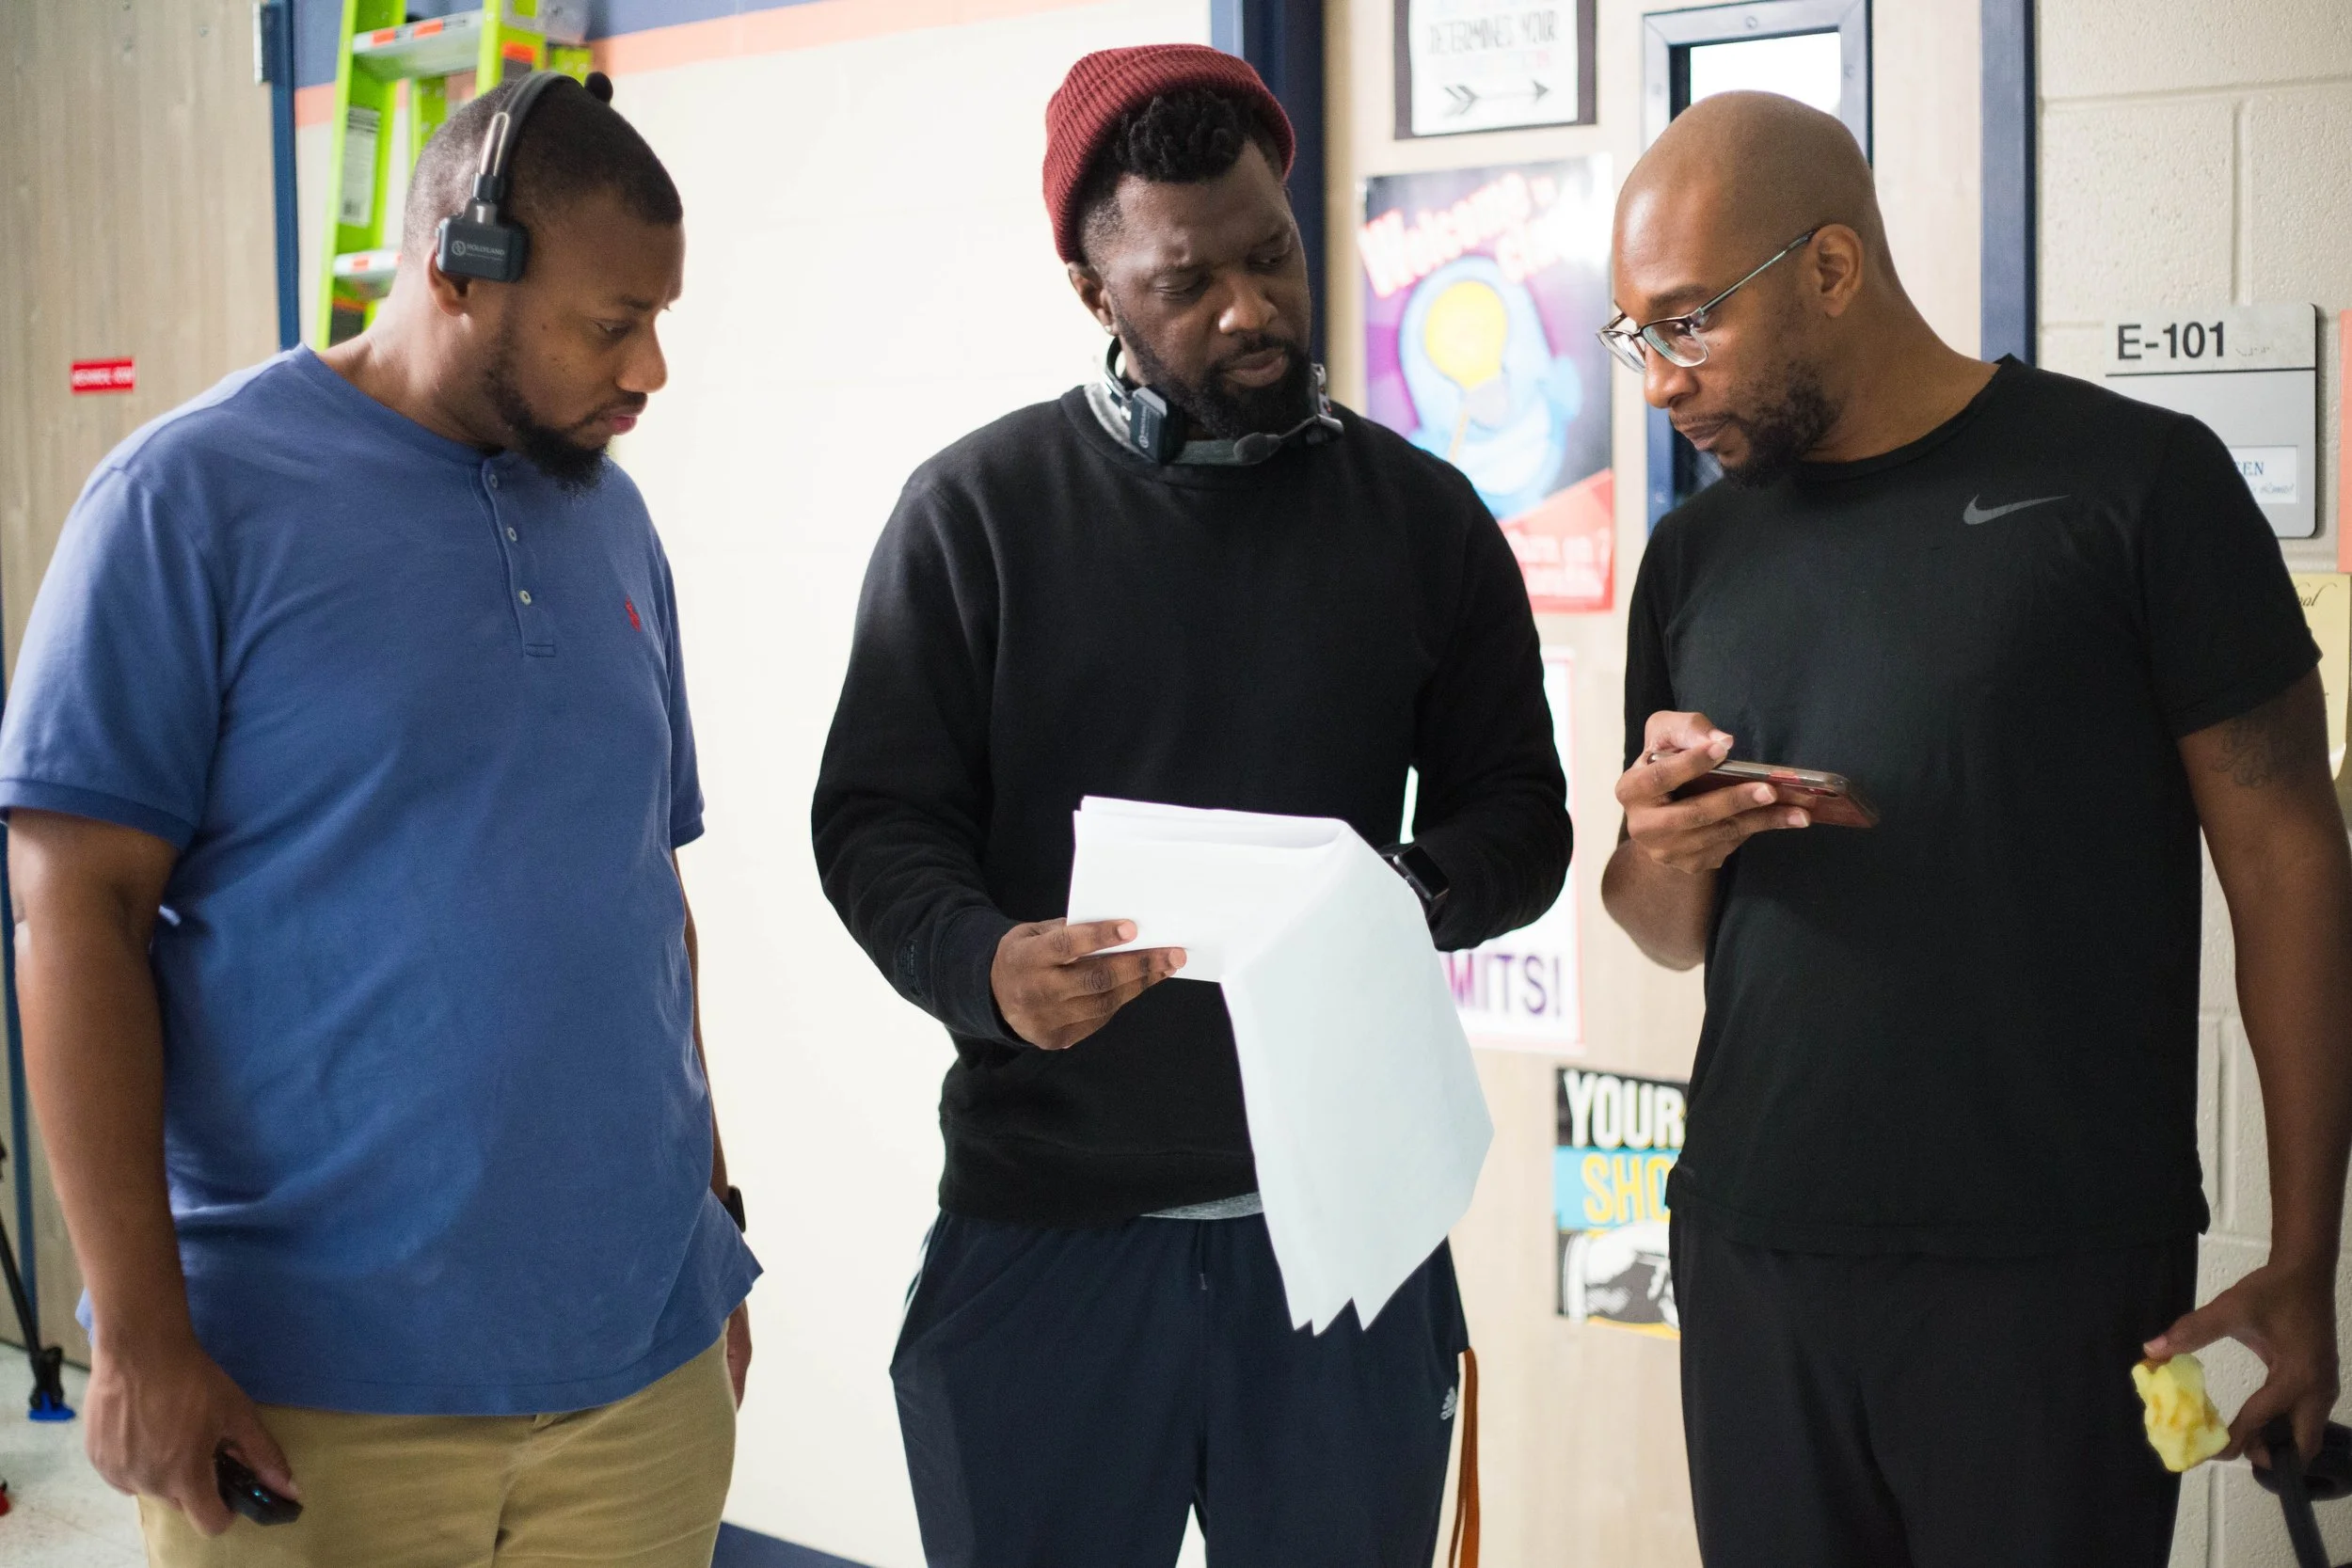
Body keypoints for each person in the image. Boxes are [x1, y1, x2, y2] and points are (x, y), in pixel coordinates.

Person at [810, 43, 1572, 1568]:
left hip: (1343, 1236)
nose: (1252, 308)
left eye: (1272, 252)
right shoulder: (976, 516)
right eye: (1186, 281)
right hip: (1045, 1237)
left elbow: (1523, 818)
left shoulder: (1420, 520)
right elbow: (877, 823)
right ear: (1096, 293)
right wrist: (988, 966)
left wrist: (1406, 898)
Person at [2, 72, 758, 1567]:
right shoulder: (191, 500)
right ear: (458, 272)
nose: (652, 366)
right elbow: (70, 915)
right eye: (612, 322)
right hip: (308, 1393)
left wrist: (712, 1229)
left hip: (636, 1368)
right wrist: (142, 1334)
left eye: (661, 316)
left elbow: (639, 895)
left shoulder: (609, 514)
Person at [1599, 90, 2352, 1567]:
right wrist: (1659, 852)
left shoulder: (2137, 484)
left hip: (2051, 1270)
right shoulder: (1694, 553)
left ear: (1830, 269)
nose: (1661, 383)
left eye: (1688, 322)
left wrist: (2306, 1257)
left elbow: (2290, 865)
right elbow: (1662, 927)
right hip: (1755, 1252)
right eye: (1636, 337)